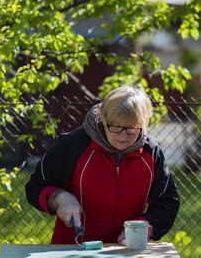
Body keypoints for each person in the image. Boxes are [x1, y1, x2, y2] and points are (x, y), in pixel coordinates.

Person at [25, 85, 180, 245]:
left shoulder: (151, 152)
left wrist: (144, 226)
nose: (123, 136)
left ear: (143, 124)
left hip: (126, 249)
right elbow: (35, 186)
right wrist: (59, 198)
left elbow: (167, 202)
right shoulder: (73, 145)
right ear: (103, 119)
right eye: (115, 127)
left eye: (132, 129)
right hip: (75, 247)